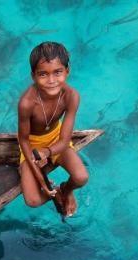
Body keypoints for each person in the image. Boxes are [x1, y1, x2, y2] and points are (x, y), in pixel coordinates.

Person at [18, 41, 88, 217]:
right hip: (31, 146)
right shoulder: (27, 103)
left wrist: (47, 152)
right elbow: (24, 140)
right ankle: (56, 191)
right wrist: (43, 182)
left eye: (58, 72)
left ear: (67, 71)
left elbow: (64, 141)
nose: (51, 81)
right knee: (33, 201)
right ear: (33, 76)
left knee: (81, 178)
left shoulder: (71, 96)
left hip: (56, 141)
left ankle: (66, 189)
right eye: (43, 74)